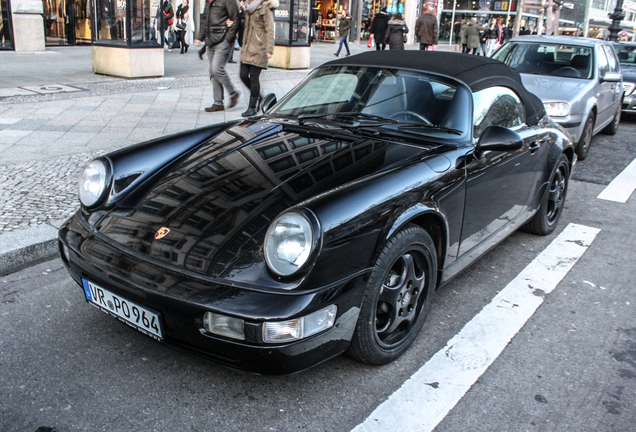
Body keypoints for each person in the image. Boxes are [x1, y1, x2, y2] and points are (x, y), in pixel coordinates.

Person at [195, 0, 240, 112]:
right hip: (210, 41)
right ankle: (218, 103)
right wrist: (200, 37)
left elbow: (236, 20)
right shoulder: (208, 1)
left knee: (216, 68)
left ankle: (233, 93)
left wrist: (228, 39)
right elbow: (205, 20)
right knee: (212, 71)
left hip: (223, 40)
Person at [238, 0, 276, 117]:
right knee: (243, 75)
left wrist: (269, 49)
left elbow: (270, 30)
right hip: (247, 48)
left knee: (254, 77)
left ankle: (252, 107)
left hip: (259, 48)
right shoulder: (248, 7)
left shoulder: (265, 8)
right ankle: (260, 96)